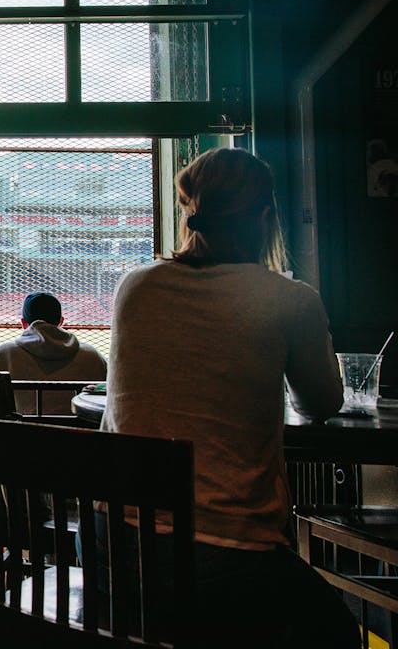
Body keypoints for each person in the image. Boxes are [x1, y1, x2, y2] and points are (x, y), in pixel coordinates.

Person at [100, 147, 357, 647]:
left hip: (118, 552)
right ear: (265, 217)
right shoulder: (289, 299)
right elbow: (320, 404)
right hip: (228, 556)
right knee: (339, 634)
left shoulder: (135, 286)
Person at [0, 291, 107, 415]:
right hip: (78, 433)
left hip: (21, 432)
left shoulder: (4, 354)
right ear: (61, 322)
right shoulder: (92, 356)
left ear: (23, 323)